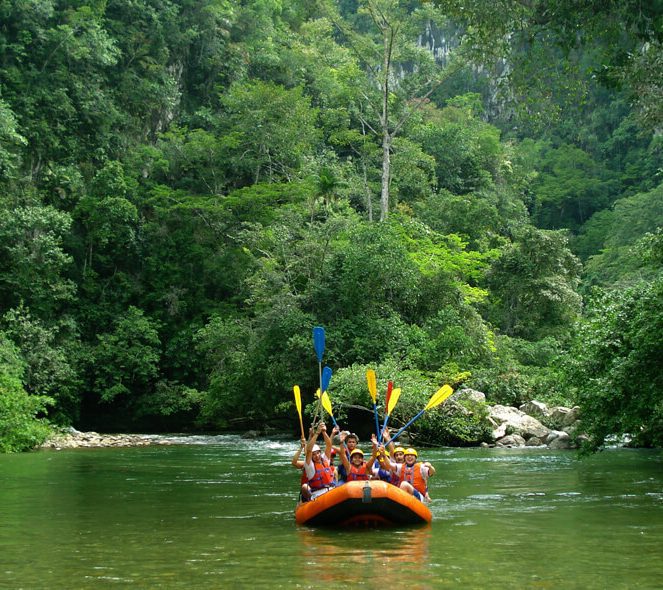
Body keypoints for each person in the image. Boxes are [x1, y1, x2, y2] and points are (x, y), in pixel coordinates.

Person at [301, 422, 337, 501]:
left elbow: (329, 445)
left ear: (320, 453)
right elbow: (309, 450)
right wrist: (317, 433)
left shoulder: (325, 460)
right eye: (314, 454)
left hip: (332, 491)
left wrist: (324, 432)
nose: (317, 456)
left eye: (318, 453)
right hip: (318, 495)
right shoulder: (310, 466)